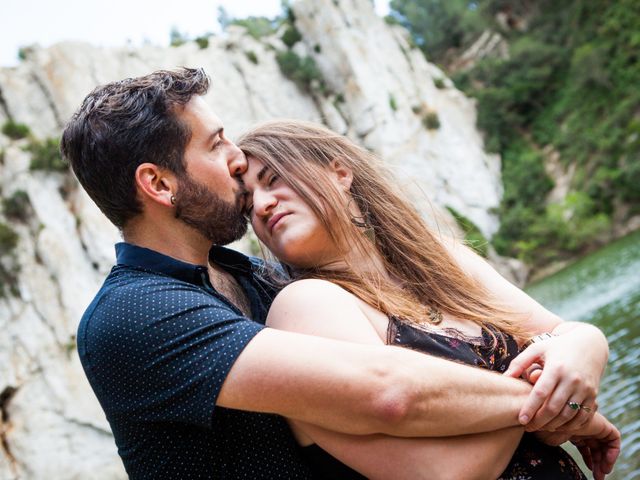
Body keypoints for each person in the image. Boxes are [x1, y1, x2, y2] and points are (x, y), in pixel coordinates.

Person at [60, 67, 611, 479]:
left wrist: (579, 353)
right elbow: (387, 392)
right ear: (159, 185)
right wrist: (558, 408)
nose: (236, 160)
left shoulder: (257, 277)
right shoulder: (135, 316)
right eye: (216, 143)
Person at [237, 119, 621, 479]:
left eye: (273, 180)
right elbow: (441, 472)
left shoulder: (439, 256)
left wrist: (586, 350)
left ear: (340, 174)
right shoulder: (304, 306)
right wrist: (558, 406)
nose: (261, 205)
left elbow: (565, 333)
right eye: (247, 203)